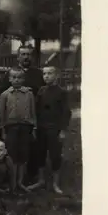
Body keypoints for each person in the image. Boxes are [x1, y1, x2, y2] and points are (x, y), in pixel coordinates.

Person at [0, 45, 45, 186]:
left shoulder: (38, 74)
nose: (26, 57)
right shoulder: (10, 75)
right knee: (13, 150)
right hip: (13, 120)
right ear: (18, 57)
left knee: (30, 149)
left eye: (29, 54)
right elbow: (3, 94)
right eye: (23, 54)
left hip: (31, 117)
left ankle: (29, 176)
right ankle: (11, 179)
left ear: (33, 57)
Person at [27, 66, 72, 194]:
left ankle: (55, 183)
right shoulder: (41, 90)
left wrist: (63, 130)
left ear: (56, 76)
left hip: (54, 129)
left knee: (55, 155)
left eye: (50, 73)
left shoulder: (61, 92)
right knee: (40, 154)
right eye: (44, 74)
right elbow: (36, 109)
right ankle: (41, 180)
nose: (46, 76)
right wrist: (35, 127)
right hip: (41, 128)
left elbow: (66, 113)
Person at [0, 67, 36, 192]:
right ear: (9, 79)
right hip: (11, 128)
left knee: (23, 155)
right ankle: (12, 182)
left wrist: (34, 128)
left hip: (25, 128)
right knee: (12, 155)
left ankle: (20, 181)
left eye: (19, 77)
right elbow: (1, 115)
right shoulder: (5, 95)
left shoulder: (29, 94)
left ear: (23, 79)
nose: (16, 80)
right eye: (14, 77)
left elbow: (33, 112)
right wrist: (3, 131)